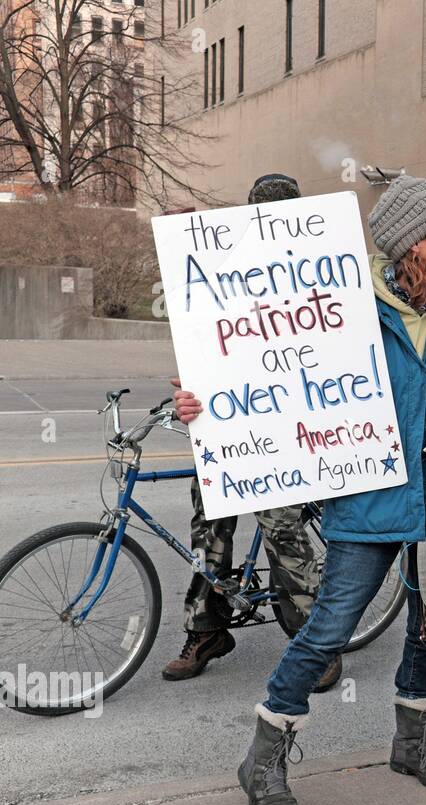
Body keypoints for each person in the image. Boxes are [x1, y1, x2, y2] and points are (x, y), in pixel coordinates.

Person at [179, 175, 426, 805]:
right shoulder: (345, 307)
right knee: (328, 628)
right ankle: (265, 756)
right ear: (413, 241)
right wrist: (209, 403)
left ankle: (413, 743)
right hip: (368, 498)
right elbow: (272, 367)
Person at [164, 172, 340, 695]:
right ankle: (206, 630)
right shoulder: (224, 275)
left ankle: (316, 644)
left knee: (284, 530)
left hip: (287, 433)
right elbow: (205, 355)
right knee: (208, 529)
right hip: (229, 429)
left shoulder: (319, 277)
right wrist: (188, 397)